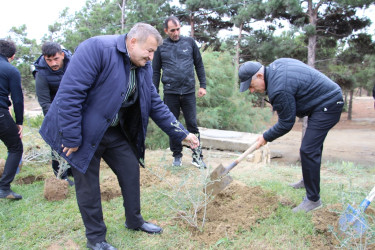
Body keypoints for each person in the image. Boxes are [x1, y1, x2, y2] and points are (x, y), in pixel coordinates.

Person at [39, 23, 199, 250]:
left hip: (111, 129)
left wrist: (181, 133)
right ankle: (96, 238)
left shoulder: (141, 66)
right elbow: (70, 94)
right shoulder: (96, 49)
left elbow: (154, 103)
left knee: (130, 167)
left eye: (154, 52)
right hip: (80, 130)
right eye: (149, 51)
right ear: (133, 42)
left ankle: (134, 220)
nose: (152, 57)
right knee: (88, 186)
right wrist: (72, 137)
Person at [238, 58, 343, 213]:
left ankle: (313, 200)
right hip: (322, 103)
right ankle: (308, 181)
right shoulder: (276, 66)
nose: (252, 91)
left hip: (329, 103)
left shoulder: (279, 88)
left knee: (308, 149)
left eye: (251, 86)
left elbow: (286, 123)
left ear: (259, 76)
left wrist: (265, 137)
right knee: (311, 147)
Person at [152, 16, 207, 168]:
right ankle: (177, 156)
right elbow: (155, 71)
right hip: (171, 92)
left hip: (189, 92)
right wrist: (153, 92)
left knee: (192, 125)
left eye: (178, 29)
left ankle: (197, 157)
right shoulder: (161, 46)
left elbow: (199, 65)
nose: (176, 33)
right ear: (166, 31)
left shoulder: (189, 42)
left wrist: (203, 85)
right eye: (172, 30)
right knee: (173, 124)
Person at [33, 42, 74, 186]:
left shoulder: (73, 64)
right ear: (44, 58)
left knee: (75, 140)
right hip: (54, 112)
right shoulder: (41, 74)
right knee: (57, 144)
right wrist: (58, 120)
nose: (53, 63)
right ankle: (61, 176)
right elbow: (45, 103)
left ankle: (73, 170)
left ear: (62, 54)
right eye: (49, 60)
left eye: (56, 59)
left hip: (74, 109)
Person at [0, 39, 23, 200]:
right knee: (15, 147)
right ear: (12, 56)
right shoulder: (10, 70)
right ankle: (4, 188)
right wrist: (19, 122)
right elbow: (18, 99)